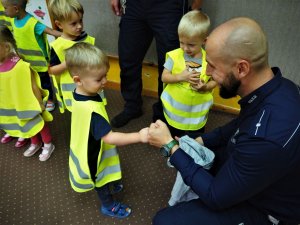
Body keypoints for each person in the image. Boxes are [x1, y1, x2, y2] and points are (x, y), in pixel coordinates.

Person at [148, 17, 300, 225]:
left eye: (211, 65)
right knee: (203, 160)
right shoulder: (281, 87)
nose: (207, 72)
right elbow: (238, 126)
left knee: (164, 222)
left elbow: (215, 197)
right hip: (263, 171)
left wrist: (171, 147)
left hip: (267, 210)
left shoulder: (265, 138)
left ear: (241, 69)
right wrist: (198, 141)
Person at [65, 42, 149, 218]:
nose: (105, 81)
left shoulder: (79, 92)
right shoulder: (92, 112)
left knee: (107, 169)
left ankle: (112, 181)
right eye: (99, 79)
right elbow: (110, 138)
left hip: (89, 141)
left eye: (105, 76)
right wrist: (139, 136)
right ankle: (108, 205)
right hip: (93, 154)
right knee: (100, 180)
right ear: (78, 80)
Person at [109, 0, 204, 128]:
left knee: (169, 65)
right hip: (134, 5)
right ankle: (132, 106)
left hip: (169, 6)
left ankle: (163, 114)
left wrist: (195, 7)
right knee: (128, 59)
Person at [0, 26, 55, 161]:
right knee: (25, 124)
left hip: (29, 103)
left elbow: (33, 86)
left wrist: (39, 103)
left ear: (6, 47)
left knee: (38, 124)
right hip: (14, 104)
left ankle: (48, 144)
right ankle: (35, 142)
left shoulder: (20, 66)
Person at [161, 10, 216, 138]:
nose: (185, 48)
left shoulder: (210, 59)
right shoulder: (174, 56)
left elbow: (215, 80)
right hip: (174, 116)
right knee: (175, 139)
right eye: (181, 42)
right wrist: (180, 77)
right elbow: (164, 77)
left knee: (194, 142)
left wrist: (206, 87)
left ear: (204, 40)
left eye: (191, 45)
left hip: (197, 117)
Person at [1, 0, 61, 112]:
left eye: (5, 8)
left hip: (39, 62)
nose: (4, 11)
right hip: (27, 61)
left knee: (45, 82)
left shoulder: (32, 23)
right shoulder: (13, 21)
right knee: (34, 82)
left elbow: (51, 32)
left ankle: (50, 100)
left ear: (16, 9)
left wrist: (68, 36)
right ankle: (40, 98)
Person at [48, 0, 95, 113]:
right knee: (79, 116)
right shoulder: (57, 46)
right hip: (73, 92)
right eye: (73, 23)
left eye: (80, 21)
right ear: (59, 24)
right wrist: (66, 64)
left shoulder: (87, 38)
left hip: (90, 85)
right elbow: (51, 70)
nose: (79, 26)